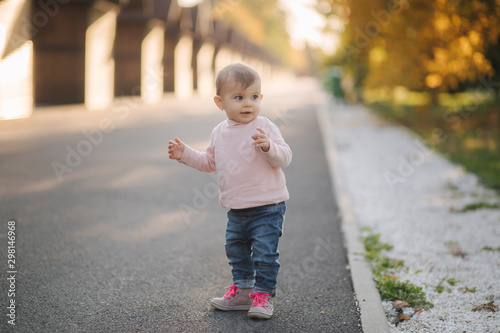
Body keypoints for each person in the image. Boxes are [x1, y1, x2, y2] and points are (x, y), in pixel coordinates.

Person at [168, 63, 292, 319]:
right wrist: (185, 155)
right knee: (235, 250)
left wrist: (269, 147)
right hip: (236, 209)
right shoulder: (219, 133)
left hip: (268, 206)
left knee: (265, 254)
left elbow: (285, 157)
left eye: (254, 97)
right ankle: (244, 291)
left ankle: (263, 295)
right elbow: (209, 163)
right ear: (219, 102)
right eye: (239, 98)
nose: (248, 104)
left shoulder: (264, 127)